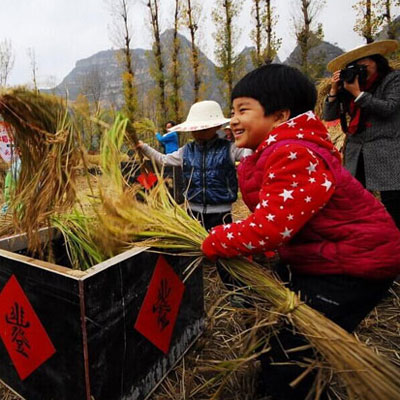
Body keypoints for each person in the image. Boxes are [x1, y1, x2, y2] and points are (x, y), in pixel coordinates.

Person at [201, 64, 400, 399]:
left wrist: (216, 241)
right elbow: (286, 220)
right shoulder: (278, 151)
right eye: (231, 110)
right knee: (294, 344)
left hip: (353, 266)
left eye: (243, 110)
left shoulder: (295, 152)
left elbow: (273, 226)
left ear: (279, 116)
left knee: (293, 354)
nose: (232, 119)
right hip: (329, 259)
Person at [138, 100, 251, 231]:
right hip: (193, 212)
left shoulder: (229, 149)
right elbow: (163, 160)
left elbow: (251, 154)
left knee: (219, 248)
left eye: (204, 129)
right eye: (195, 129)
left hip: (221, 213)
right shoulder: (186, 151)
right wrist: (143, 148)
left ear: (217, 127)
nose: (198, 133)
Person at [323, 39, 400, 229]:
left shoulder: (393, 79)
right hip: (357, 151)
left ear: (376, 61)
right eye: (355, 66)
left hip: (386, 150)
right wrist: (334, 91)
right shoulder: (350, 85)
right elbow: (330, 115)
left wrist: (358, 94)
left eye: (363, 64)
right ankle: (367, 238)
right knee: (357, 200)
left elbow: (389, 108)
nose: (360, 69)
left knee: (393, 201)